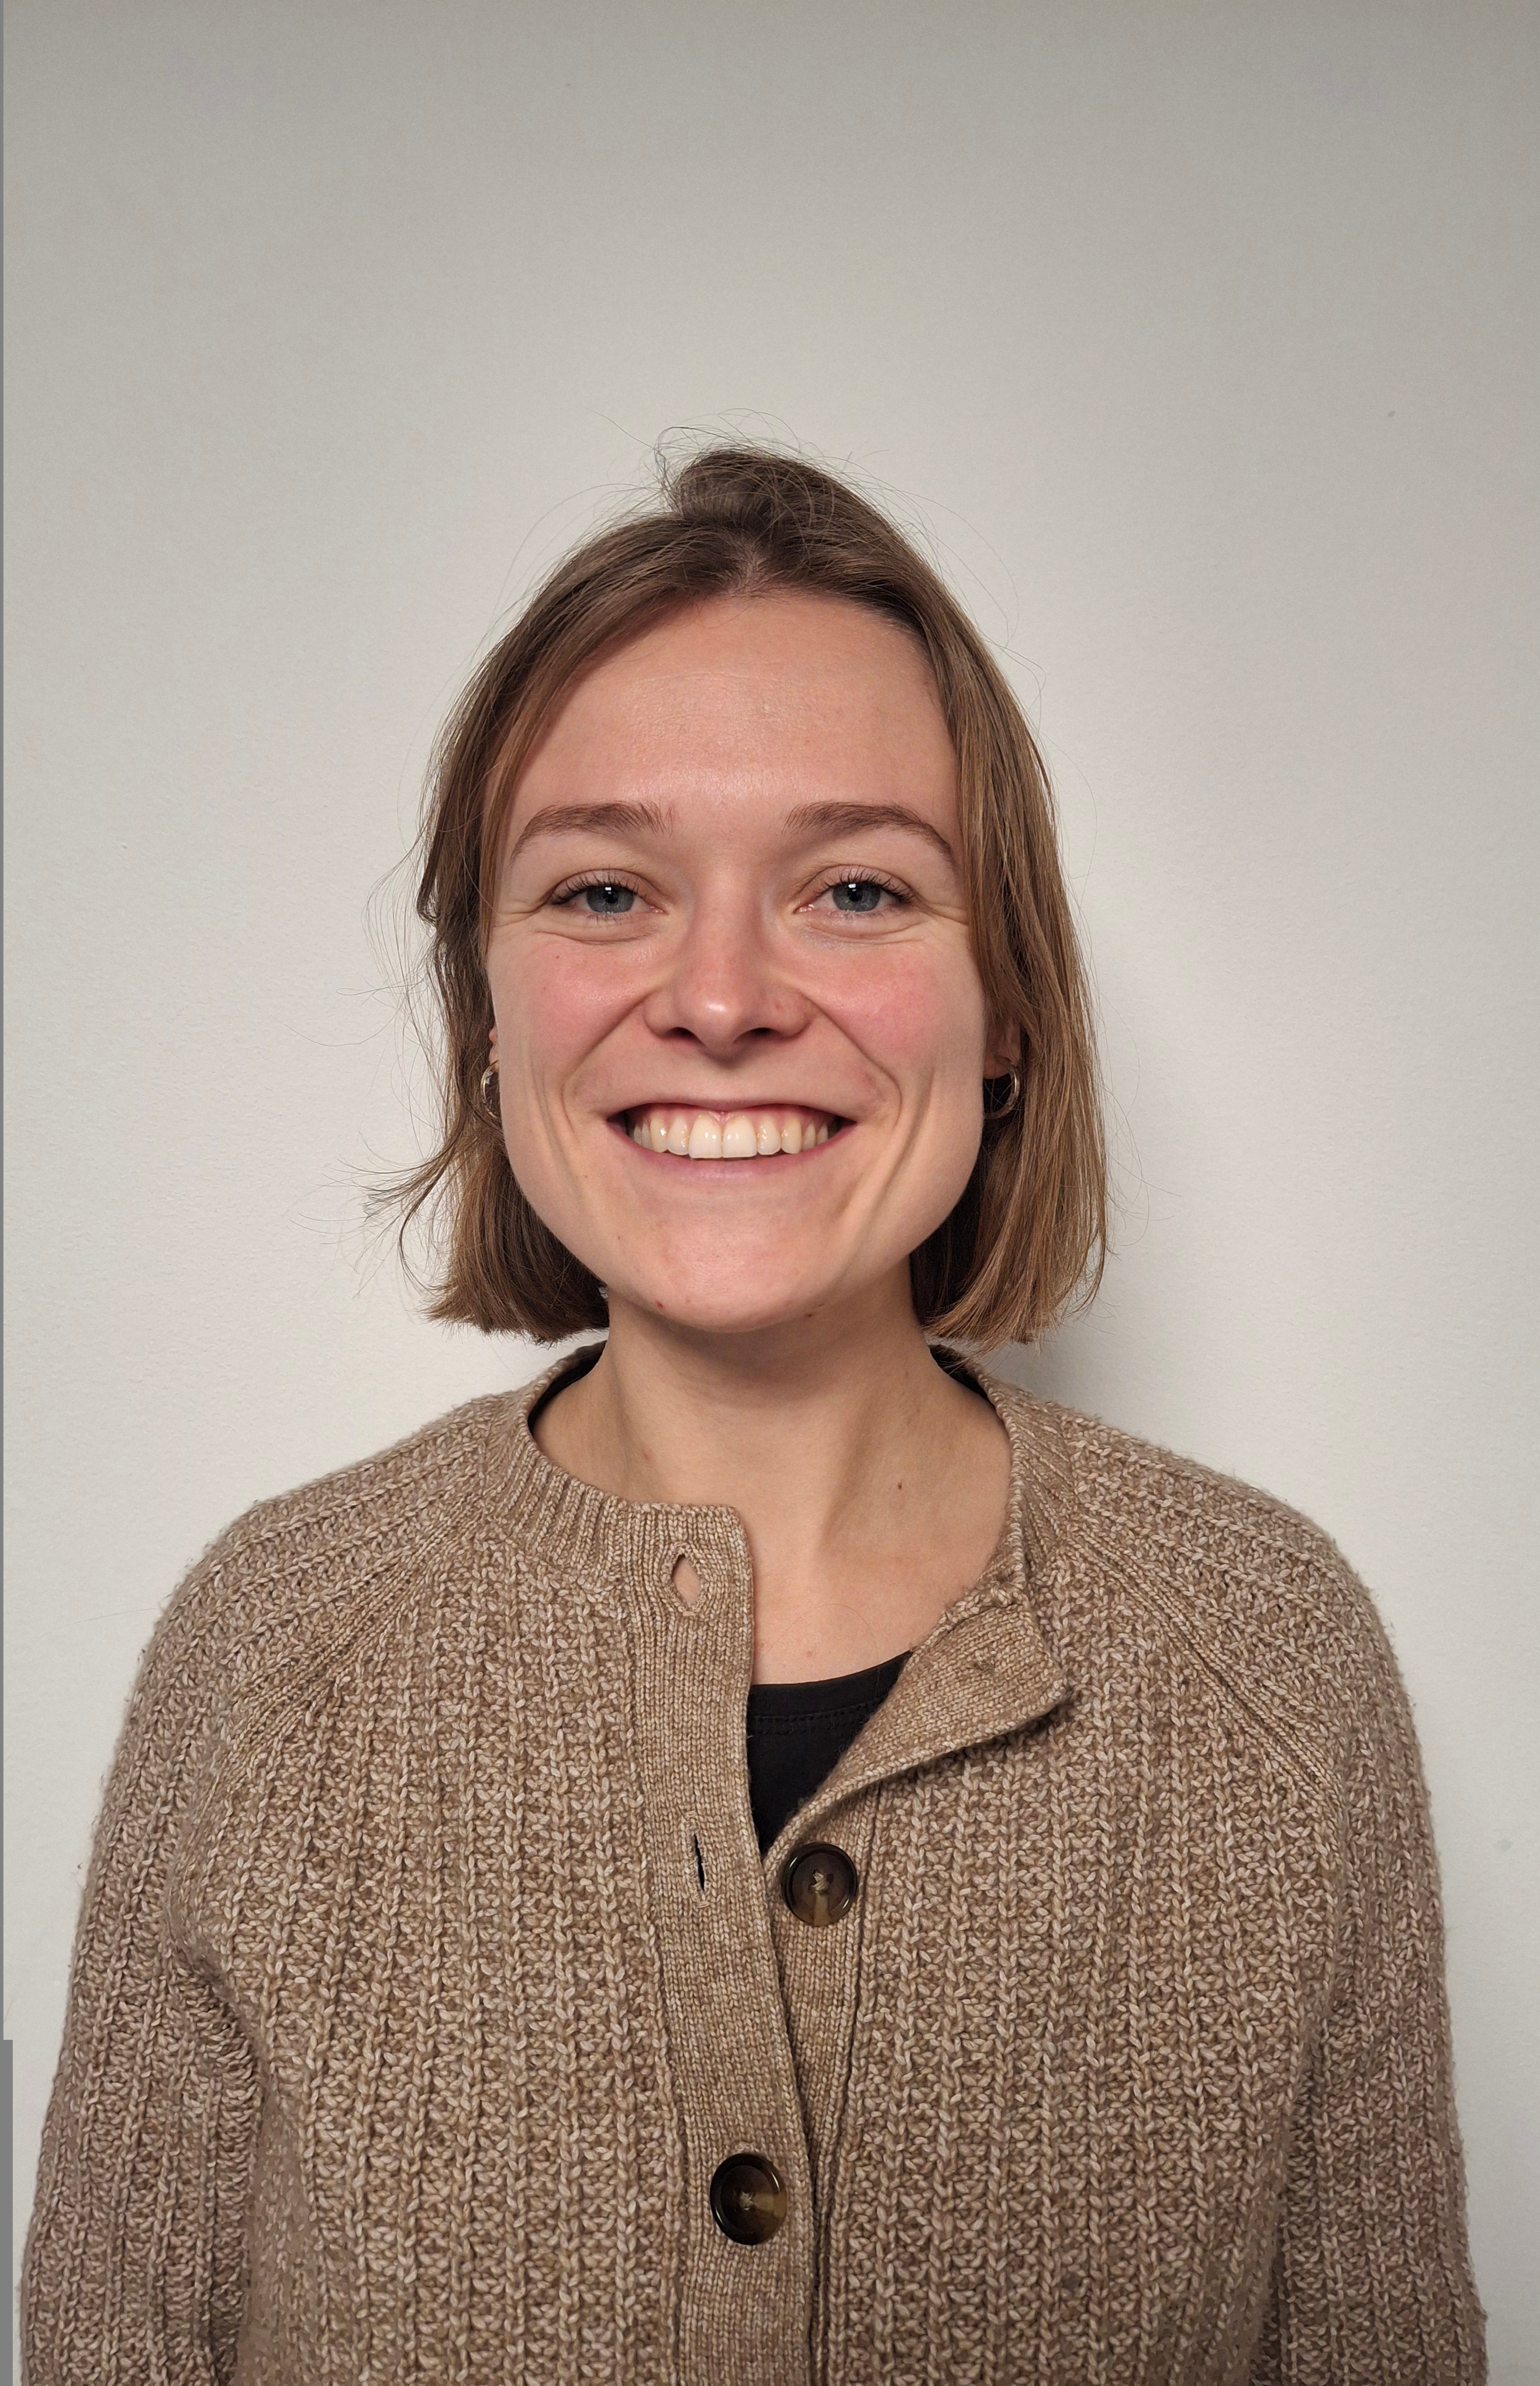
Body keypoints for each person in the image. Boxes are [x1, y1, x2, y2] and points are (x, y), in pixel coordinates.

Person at [22, 447, 1484, 2383]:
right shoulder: (269, 1646)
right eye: (606, 888)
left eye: (858, 886)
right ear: (487, 999)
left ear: (1012, 1002)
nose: (719, 997)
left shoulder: (1272, 1655)